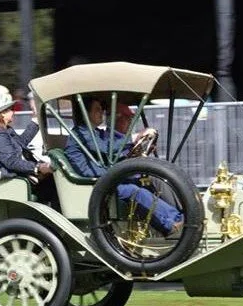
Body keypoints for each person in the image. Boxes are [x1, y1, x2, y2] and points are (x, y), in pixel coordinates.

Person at [64, 97, 182, 236]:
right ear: (86, 113)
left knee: (149, 181)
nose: (101, 112)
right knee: (134, 191)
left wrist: (136, 150)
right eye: (97, 109)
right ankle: (172, 224)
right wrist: (135, 137)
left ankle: (178, 217)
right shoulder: (80, 132)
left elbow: (112, 149)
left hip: (104, 177)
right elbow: (106, 148)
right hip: (93, 181)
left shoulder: (94, 133)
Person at [0, 94, 53, 189]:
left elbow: (21, 143)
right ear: (3, 113)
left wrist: (35, 121)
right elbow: (11, 161)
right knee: (50, 184)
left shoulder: (5, 130)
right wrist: (38, 167)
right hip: (5, 180)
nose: (13, 112)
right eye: (10, 109)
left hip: (13, 176)